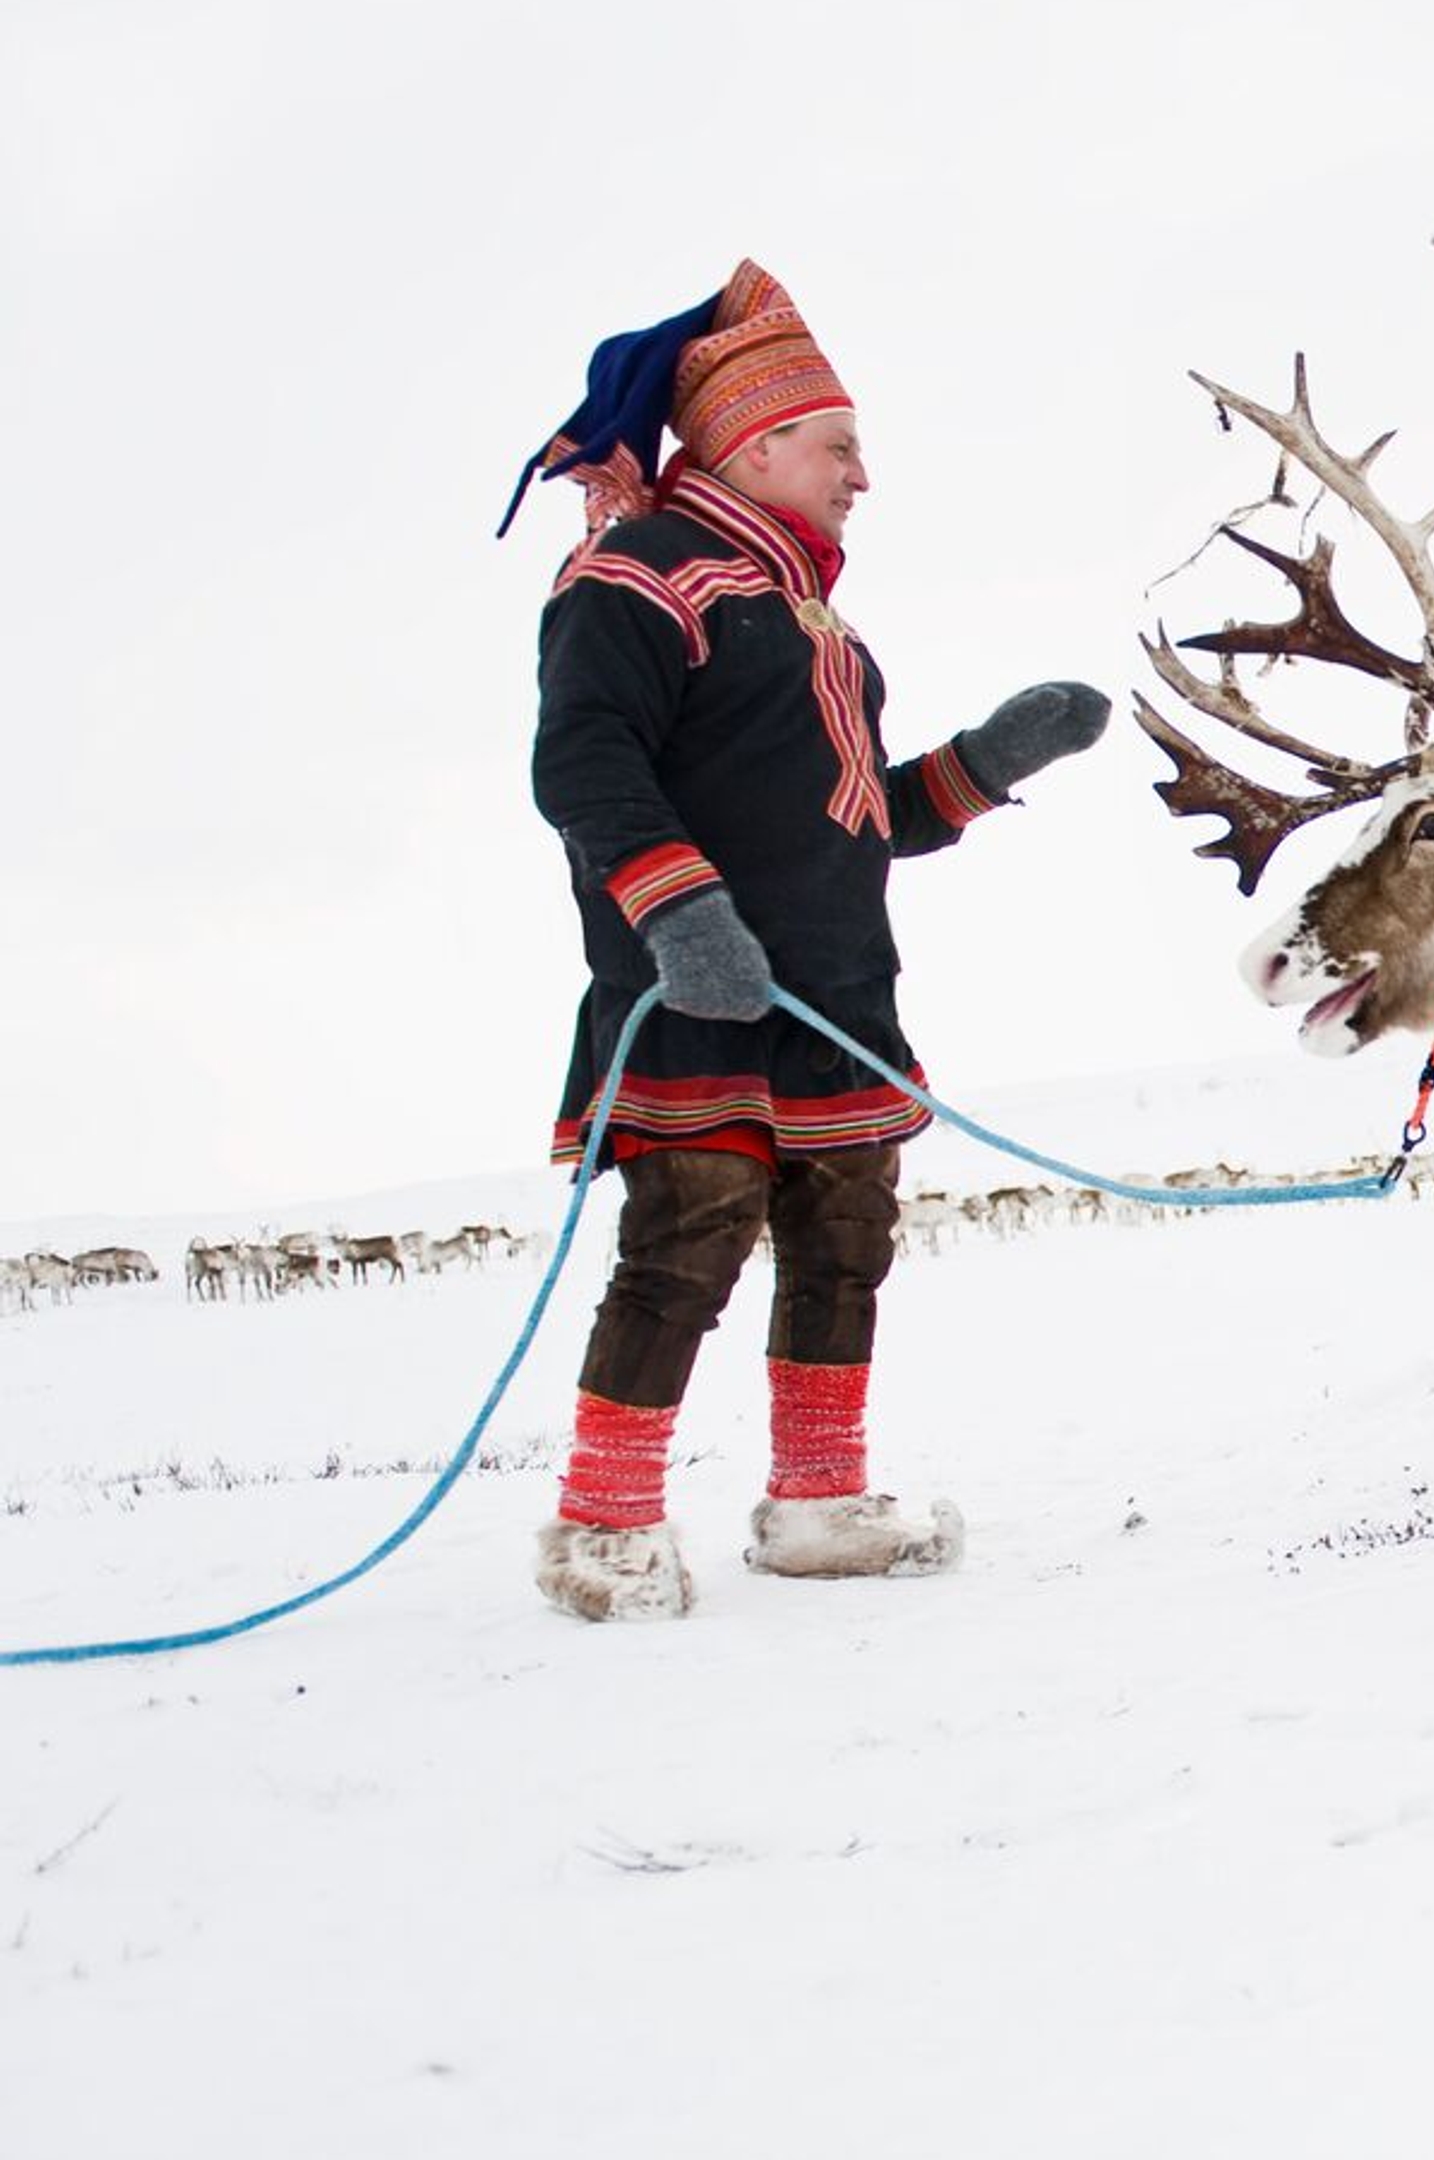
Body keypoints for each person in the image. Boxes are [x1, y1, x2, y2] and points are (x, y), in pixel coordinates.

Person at [499, 261, 1110, 1622]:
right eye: (840, 447)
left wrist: (986, 762)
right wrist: (679, 911)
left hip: (834, 992)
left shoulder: (818, 624)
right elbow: (584, 761)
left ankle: (821, 1505)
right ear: (756, 441)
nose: (861, 477)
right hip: (694, 986)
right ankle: (602, 1526)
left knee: (846, 1243)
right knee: (689, 1240)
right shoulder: (638, 575)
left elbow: (859, 817)